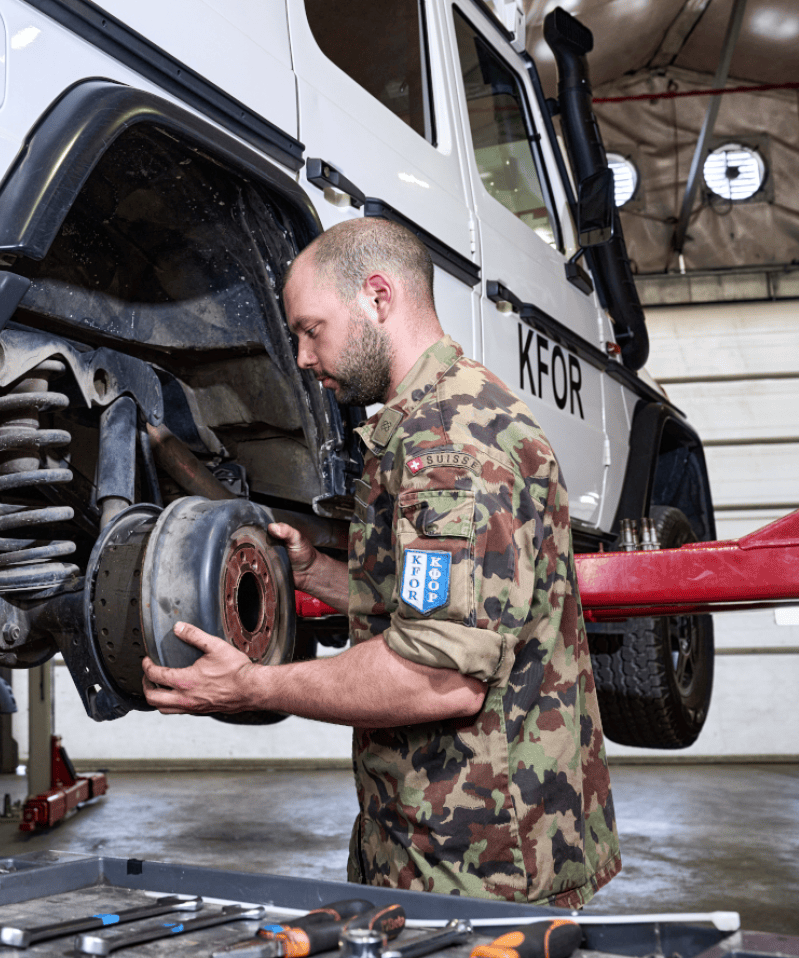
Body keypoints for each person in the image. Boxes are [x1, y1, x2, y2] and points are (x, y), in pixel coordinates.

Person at [141, 217, 620, 909]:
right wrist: (318, 574)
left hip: (478, 865)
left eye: (311, 329)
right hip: (435, 838)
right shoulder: (433, 418)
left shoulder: (451, 446)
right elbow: (441, 603)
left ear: (377, 297)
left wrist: (254, 686)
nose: (303, 357)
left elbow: (437, 678)